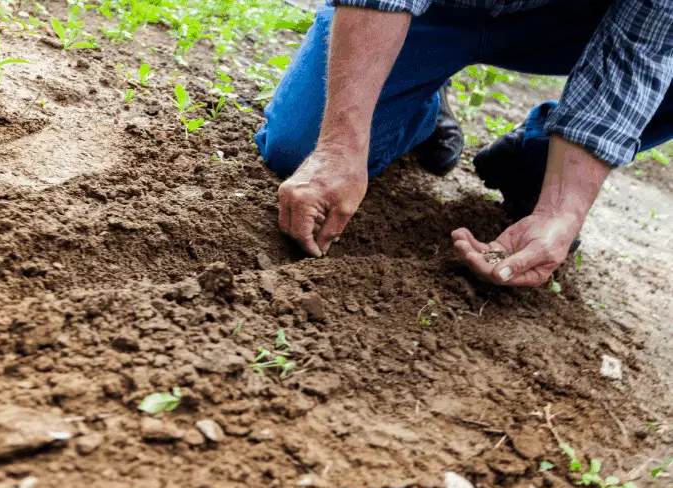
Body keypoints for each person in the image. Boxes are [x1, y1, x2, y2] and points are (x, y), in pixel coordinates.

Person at [254, 0, 673, 287]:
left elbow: (641, 49)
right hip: (436, 10)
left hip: (569, 20)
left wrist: (561, 210)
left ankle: (538, 160)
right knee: (299, 148)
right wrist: (339, 147)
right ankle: (423, 101)